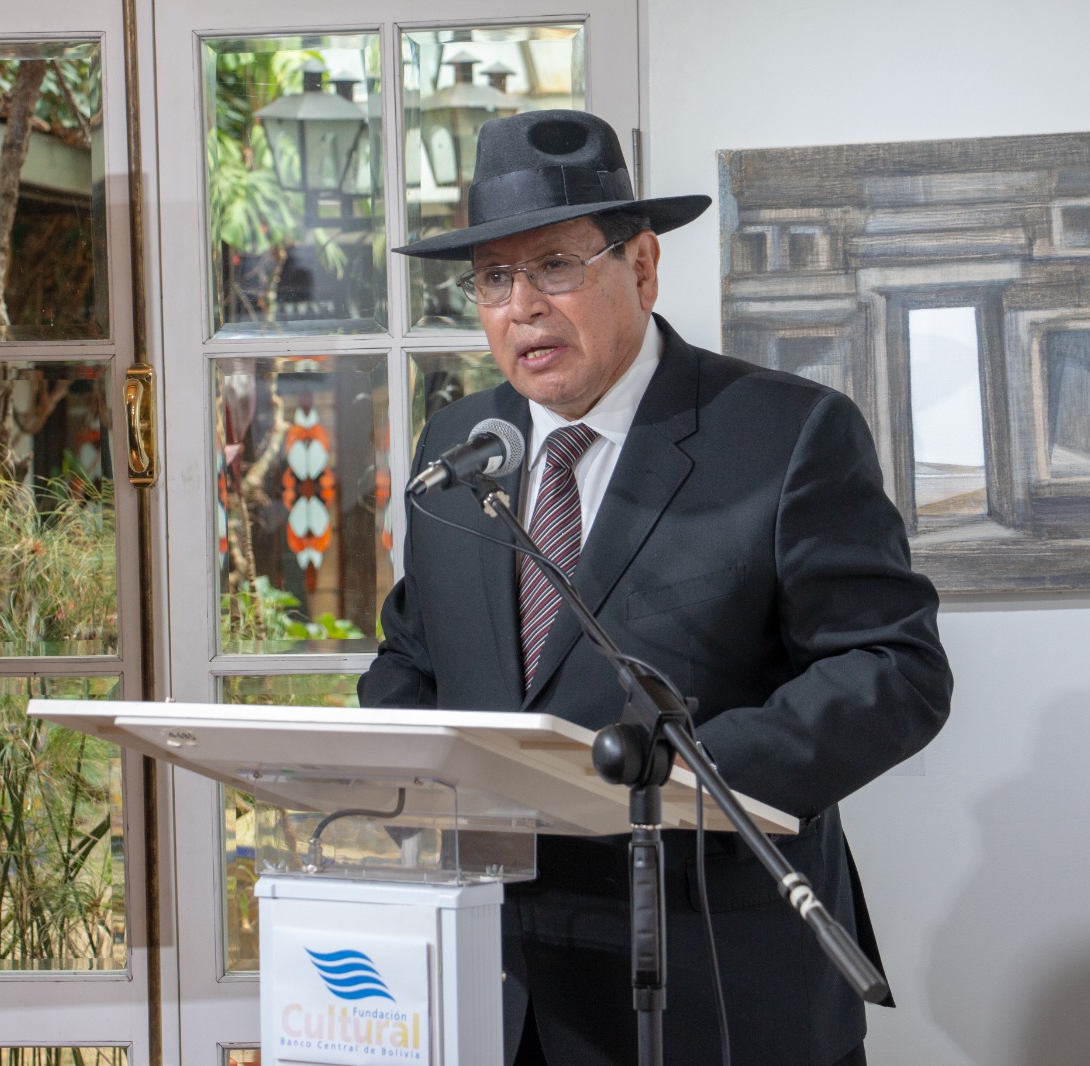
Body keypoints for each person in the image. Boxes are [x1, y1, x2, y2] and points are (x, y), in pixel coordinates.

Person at [356, 110, 952, 1066]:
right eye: (493, 278)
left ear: (640, 267)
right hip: (494, 989)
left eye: (554, 265)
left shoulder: (786, 433)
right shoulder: (458, 447)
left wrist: (685, 780)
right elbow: (413, 659)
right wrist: (394, 769)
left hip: (720, 980)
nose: (521, 306)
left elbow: (894, 669)